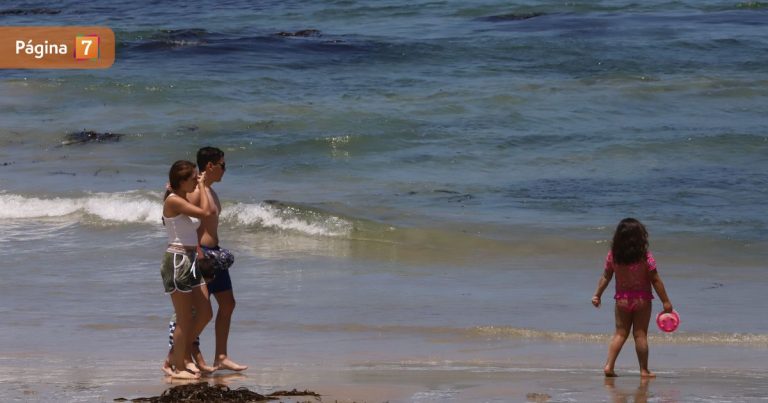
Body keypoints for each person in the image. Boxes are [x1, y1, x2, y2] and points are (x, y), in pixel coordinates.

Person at [166, 147, 247, 372]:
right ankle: (178, 355)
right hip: (201, 255)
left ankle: (220, 356)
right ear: (210, 166)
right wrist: (199, 255)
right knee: (197, 312)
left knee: (228, 304)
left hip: (215, 253)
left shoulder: (211, 191)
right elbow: (183, 225)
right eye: (222, 165)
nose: (225, 170)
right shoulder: (195, 192)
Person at [592, 218, 673, 378]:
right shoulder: (645, 257)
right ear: (640, 237)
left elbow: (606, 276)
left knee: (620, 334)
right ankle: (643, 370)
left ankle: (609, 366)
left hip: (622, 300)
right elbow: (655, 279)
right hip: (642, 300)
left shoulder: (613, 256)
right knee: (640, 334)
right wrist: (665, 301)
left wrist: (597, 294)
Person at [160, 160, 213, 379]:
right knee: (184, 317)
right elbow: (205, 212)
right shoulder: (173, 201)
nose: (195, 181)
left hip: (190, 259)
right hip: (178, 259)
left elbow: (200, 207)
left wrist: (200, 185)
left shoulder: (180, 197)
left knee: (205, 313)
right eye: (192, 178)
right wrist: (203, 185)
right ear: (182, 181)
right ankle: (179, 368)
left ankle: (175, 355)